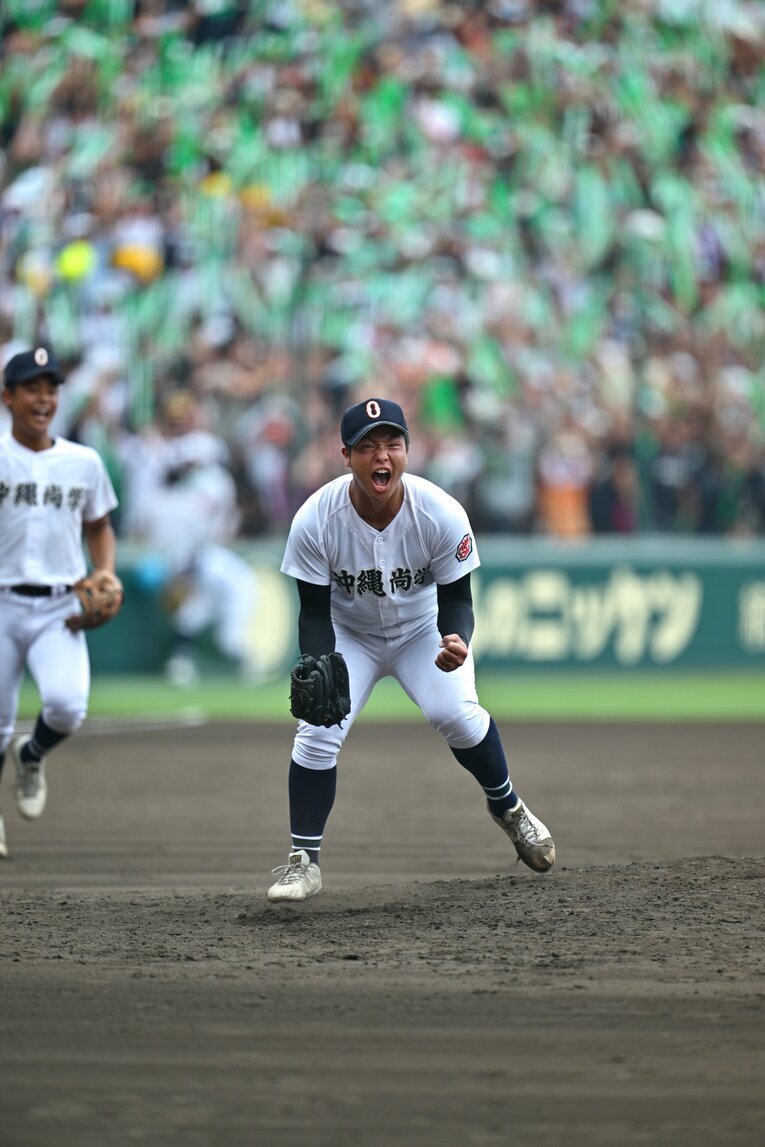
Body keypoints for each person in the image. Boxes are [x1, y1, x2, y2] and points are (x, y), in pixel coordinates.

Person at [267, 397, 555, 901]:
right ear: (346, 456)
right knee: (315, 734)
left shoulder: (439, 512)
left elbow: (458, 598)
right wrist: (317, 660)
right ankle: (303, 861)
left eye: (393, 444)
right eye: (368, 447)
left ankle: (508, 807)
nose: (383, 455)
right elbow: (313, 611)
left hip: (421, 629)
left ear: (407, 451)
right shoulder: (316, 518)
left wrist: (456, 637)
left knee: (457, 714)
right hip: (350, 632)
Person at [0, 345, 121, 859]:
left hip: (60, 606)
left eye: (51, 388)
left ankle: (31, 757)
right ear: (8, 397)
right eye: (33, 388)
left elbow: (99, 526)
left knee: (68, 707)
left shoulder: (83, 462)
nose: (44, 397)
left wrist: (106, 572)